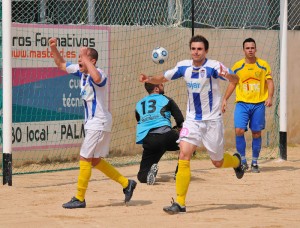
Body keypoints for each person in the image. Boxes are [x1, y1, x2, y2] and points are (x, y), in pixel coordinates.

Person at [139, 35, 245, 215]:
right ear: (190, 50)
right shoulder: (184, 67)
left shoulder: (213, 67)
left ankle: (236, 162)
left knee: (217, 162)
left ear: (206, 51)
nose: (196, 52)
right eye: (193, 49)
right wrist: (148, 78)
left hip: (212, 120)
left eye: (200, 49)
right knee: (184, 154)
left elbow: (235, 80)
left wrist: (228, 75)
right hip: (193, 120)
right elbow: (163, 78)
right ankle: (180, 203)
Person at [49, 37, 137, 209]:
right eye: (79, 58)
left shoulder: (99, 73)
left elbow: (96, 77)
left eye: (82, 57)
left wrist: (87, 60)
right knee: (95, 160)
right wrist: (54, 48)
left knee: (84, 157)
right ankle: (127, 183)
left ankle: (79, 198)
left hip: (99, 122)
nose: (79, 60)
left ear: (92, 61)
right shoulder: (80, 72)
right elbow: (61, 65)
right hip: (94, 123)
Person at [222, 37, 274, 173]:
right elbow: (232, 83)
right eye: (247, 48)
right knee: (239, 130)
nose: (250, 50)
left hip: (258, 104)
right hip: (242, 104)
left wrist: (269, 97)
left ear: (256, 49)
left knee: (256, 133)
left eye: (252, 48)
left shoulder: (263, 65)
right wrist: (225, 99)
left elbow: (269, 83)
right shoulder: (238, 66)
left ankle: (255, 162)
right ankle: (243, 160)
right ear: (243, 50)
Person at [135, 83, 184, 185]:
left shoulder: (139, 104)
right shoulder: (166, 99)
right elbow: (180, 119)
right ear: (156, 89)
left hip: (149, 140)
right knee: (189, 142)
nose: (163, 86)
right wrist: (179, 129)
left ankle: (147, 174)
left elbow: (139, 120)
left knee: (141, 176)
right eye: (161, 85)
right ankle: (179, 173)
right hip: (167, 136)